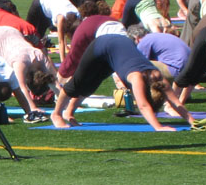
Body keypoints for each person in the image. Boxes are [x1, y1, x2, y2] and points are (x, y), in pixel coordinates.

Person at [52, 33, 195, 128]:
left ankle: (69, 112)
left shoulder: (158, 77)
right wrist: (158, 127)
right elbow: (143, 106)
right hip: (103, 45)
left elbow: (175, 102)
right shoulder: (137, 77)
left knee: (91, 85)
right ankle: (57, 114)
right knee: (77, 83)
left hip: (119, 49)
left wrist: (192, 121)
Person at [0, 25, 60, 106]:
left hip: (13, 30)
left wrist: (64, 102)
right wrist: (33, 108)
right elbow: (21, 88)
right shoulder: (21, 62)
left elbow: (54, 82)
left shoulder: (40, 55)